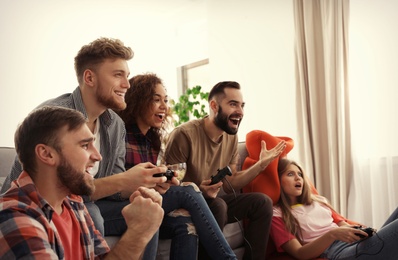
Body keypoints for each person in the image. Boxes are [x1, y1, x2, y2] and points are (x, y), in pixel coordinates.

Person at [0, 37, 167, 259]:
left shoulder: (115, 124)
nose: (127, 84)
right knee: (95, 215)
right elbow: (30, 182)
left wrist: (144, 183)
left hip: (77, 200)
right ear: (89, 77)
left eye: (127, 76)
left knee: (149, 210)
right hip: (57, 202)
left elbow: (111, 186)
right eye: (118, 75)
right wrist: (124, 181)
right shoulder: (52, 118)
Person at [0, 106, 164, 259]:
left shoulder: (73, 204)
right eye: (85, 145)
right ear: (47, 154)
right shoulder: (13, 217)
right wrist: (138, 232)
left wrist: (143, 226)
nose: (98, 156)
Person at [115, 73, 237, 259]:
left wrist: (163, 182)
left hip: (149, 199)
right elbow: (121, 183)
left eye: (165, 100)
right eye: (156, 100)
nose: (164, 106)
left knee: (185, 223)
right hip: (126, 204)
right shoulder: (121, 135)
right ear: (138, 101)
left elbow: (151, 181)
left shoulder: (152, 140)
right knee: (188, 190)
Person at [164, 81, 287, 260]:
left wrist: (260, 165)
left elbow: (231, 184)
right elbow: (170, 185)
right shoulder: (184, 135)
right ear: (214, 106)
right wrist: (199, 190)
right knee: (219, 205)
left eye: (242, 105)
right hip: (187, 205)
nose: (240, 111)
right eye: (233, 104)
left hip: (213, 202)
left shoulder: (231, 137)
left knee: (262, 202)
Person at [271, 158, 398, 259]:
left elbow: (342, 223)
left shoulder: (318, 201)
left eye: (300, 174)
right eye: (290, 174)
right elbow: (300, 253)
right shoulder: (277, 214)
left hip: (355, 242)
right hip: (339, 251)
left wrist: (361, 232)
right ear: (278, 181)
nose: (298, 178)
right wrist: (332, 234)